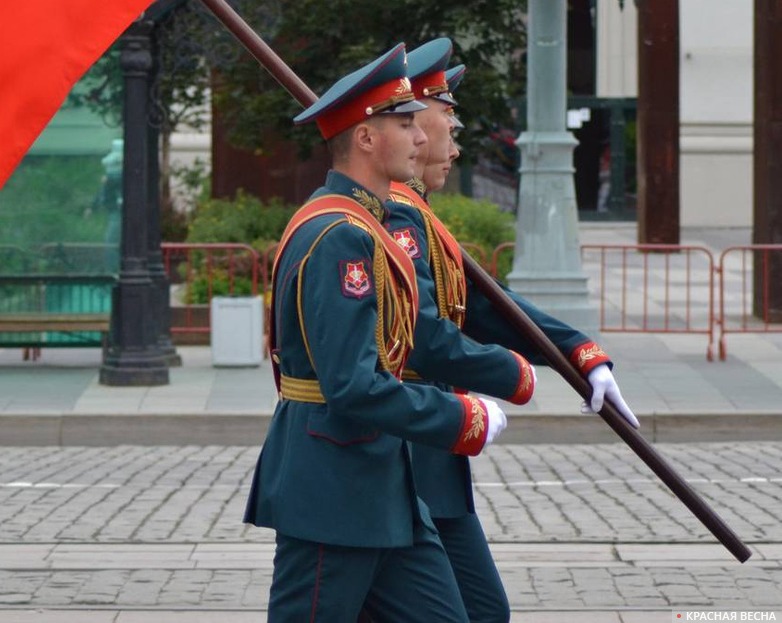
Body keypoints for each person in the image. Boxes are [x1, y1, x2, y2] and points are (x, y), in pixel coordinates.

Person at [244, 43, 508, 623]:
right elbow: (352, 385)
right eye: (406, 123)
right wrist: (461, 418)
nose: (421, 137)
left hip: (384, 484)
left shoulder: (363, 222)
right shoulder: (339, 233)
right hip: (332, 487)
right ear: (366, 138)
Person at [383, 37, 639, 623]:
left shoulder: (413, 210)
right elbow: (426, 330)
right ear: (415, 121)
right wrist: (516, 374)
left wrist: (580, 354)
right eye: (448, 117)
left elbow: (480, 302)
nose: (453, 137)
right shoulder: (396, 212)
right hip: (407, 447)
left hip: (428, 454)